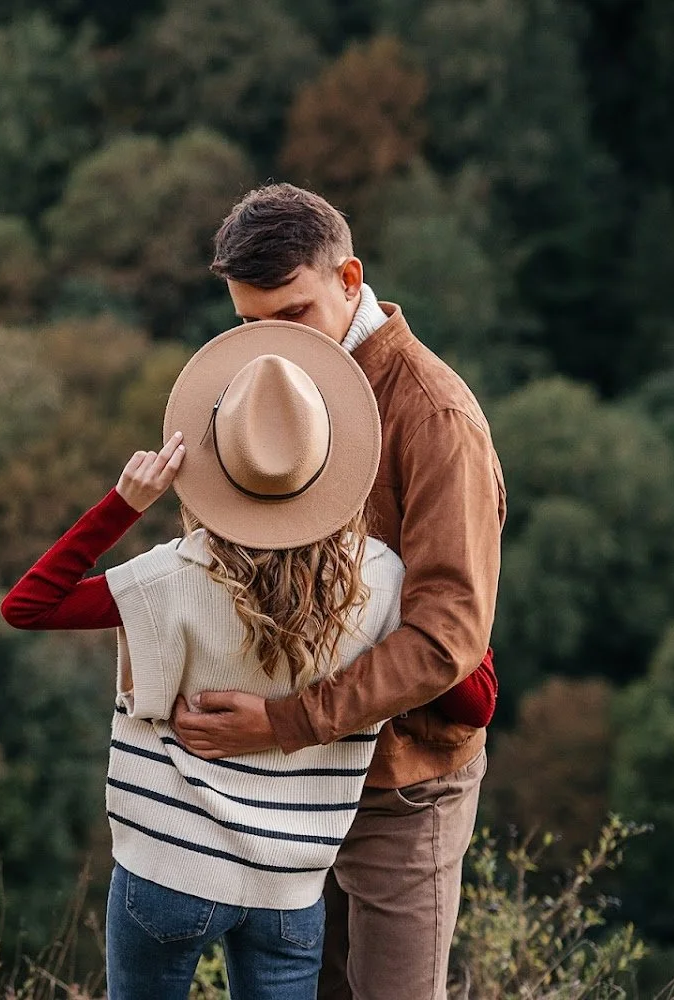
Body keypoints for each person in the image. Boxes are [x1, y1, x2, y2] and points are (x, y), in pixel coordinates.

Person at [0, 319, 492, 1000]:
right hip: (288, 890)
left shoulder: (172, 575)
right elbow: (473, 699)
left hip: (167, 866)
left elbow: (28, 605)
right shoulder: (382, 582)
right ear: (333, 463)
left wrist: (124, 504)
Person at [168, 183, 506, 1000]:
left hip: (403, 782)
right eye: (250, 324)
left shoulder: (434, 416)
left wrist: (283, 723)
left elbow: (447, 639)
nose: (271, 345)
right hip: (291, 783)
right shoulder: (253, 389)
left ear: (350, 279)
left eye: (294, 315)